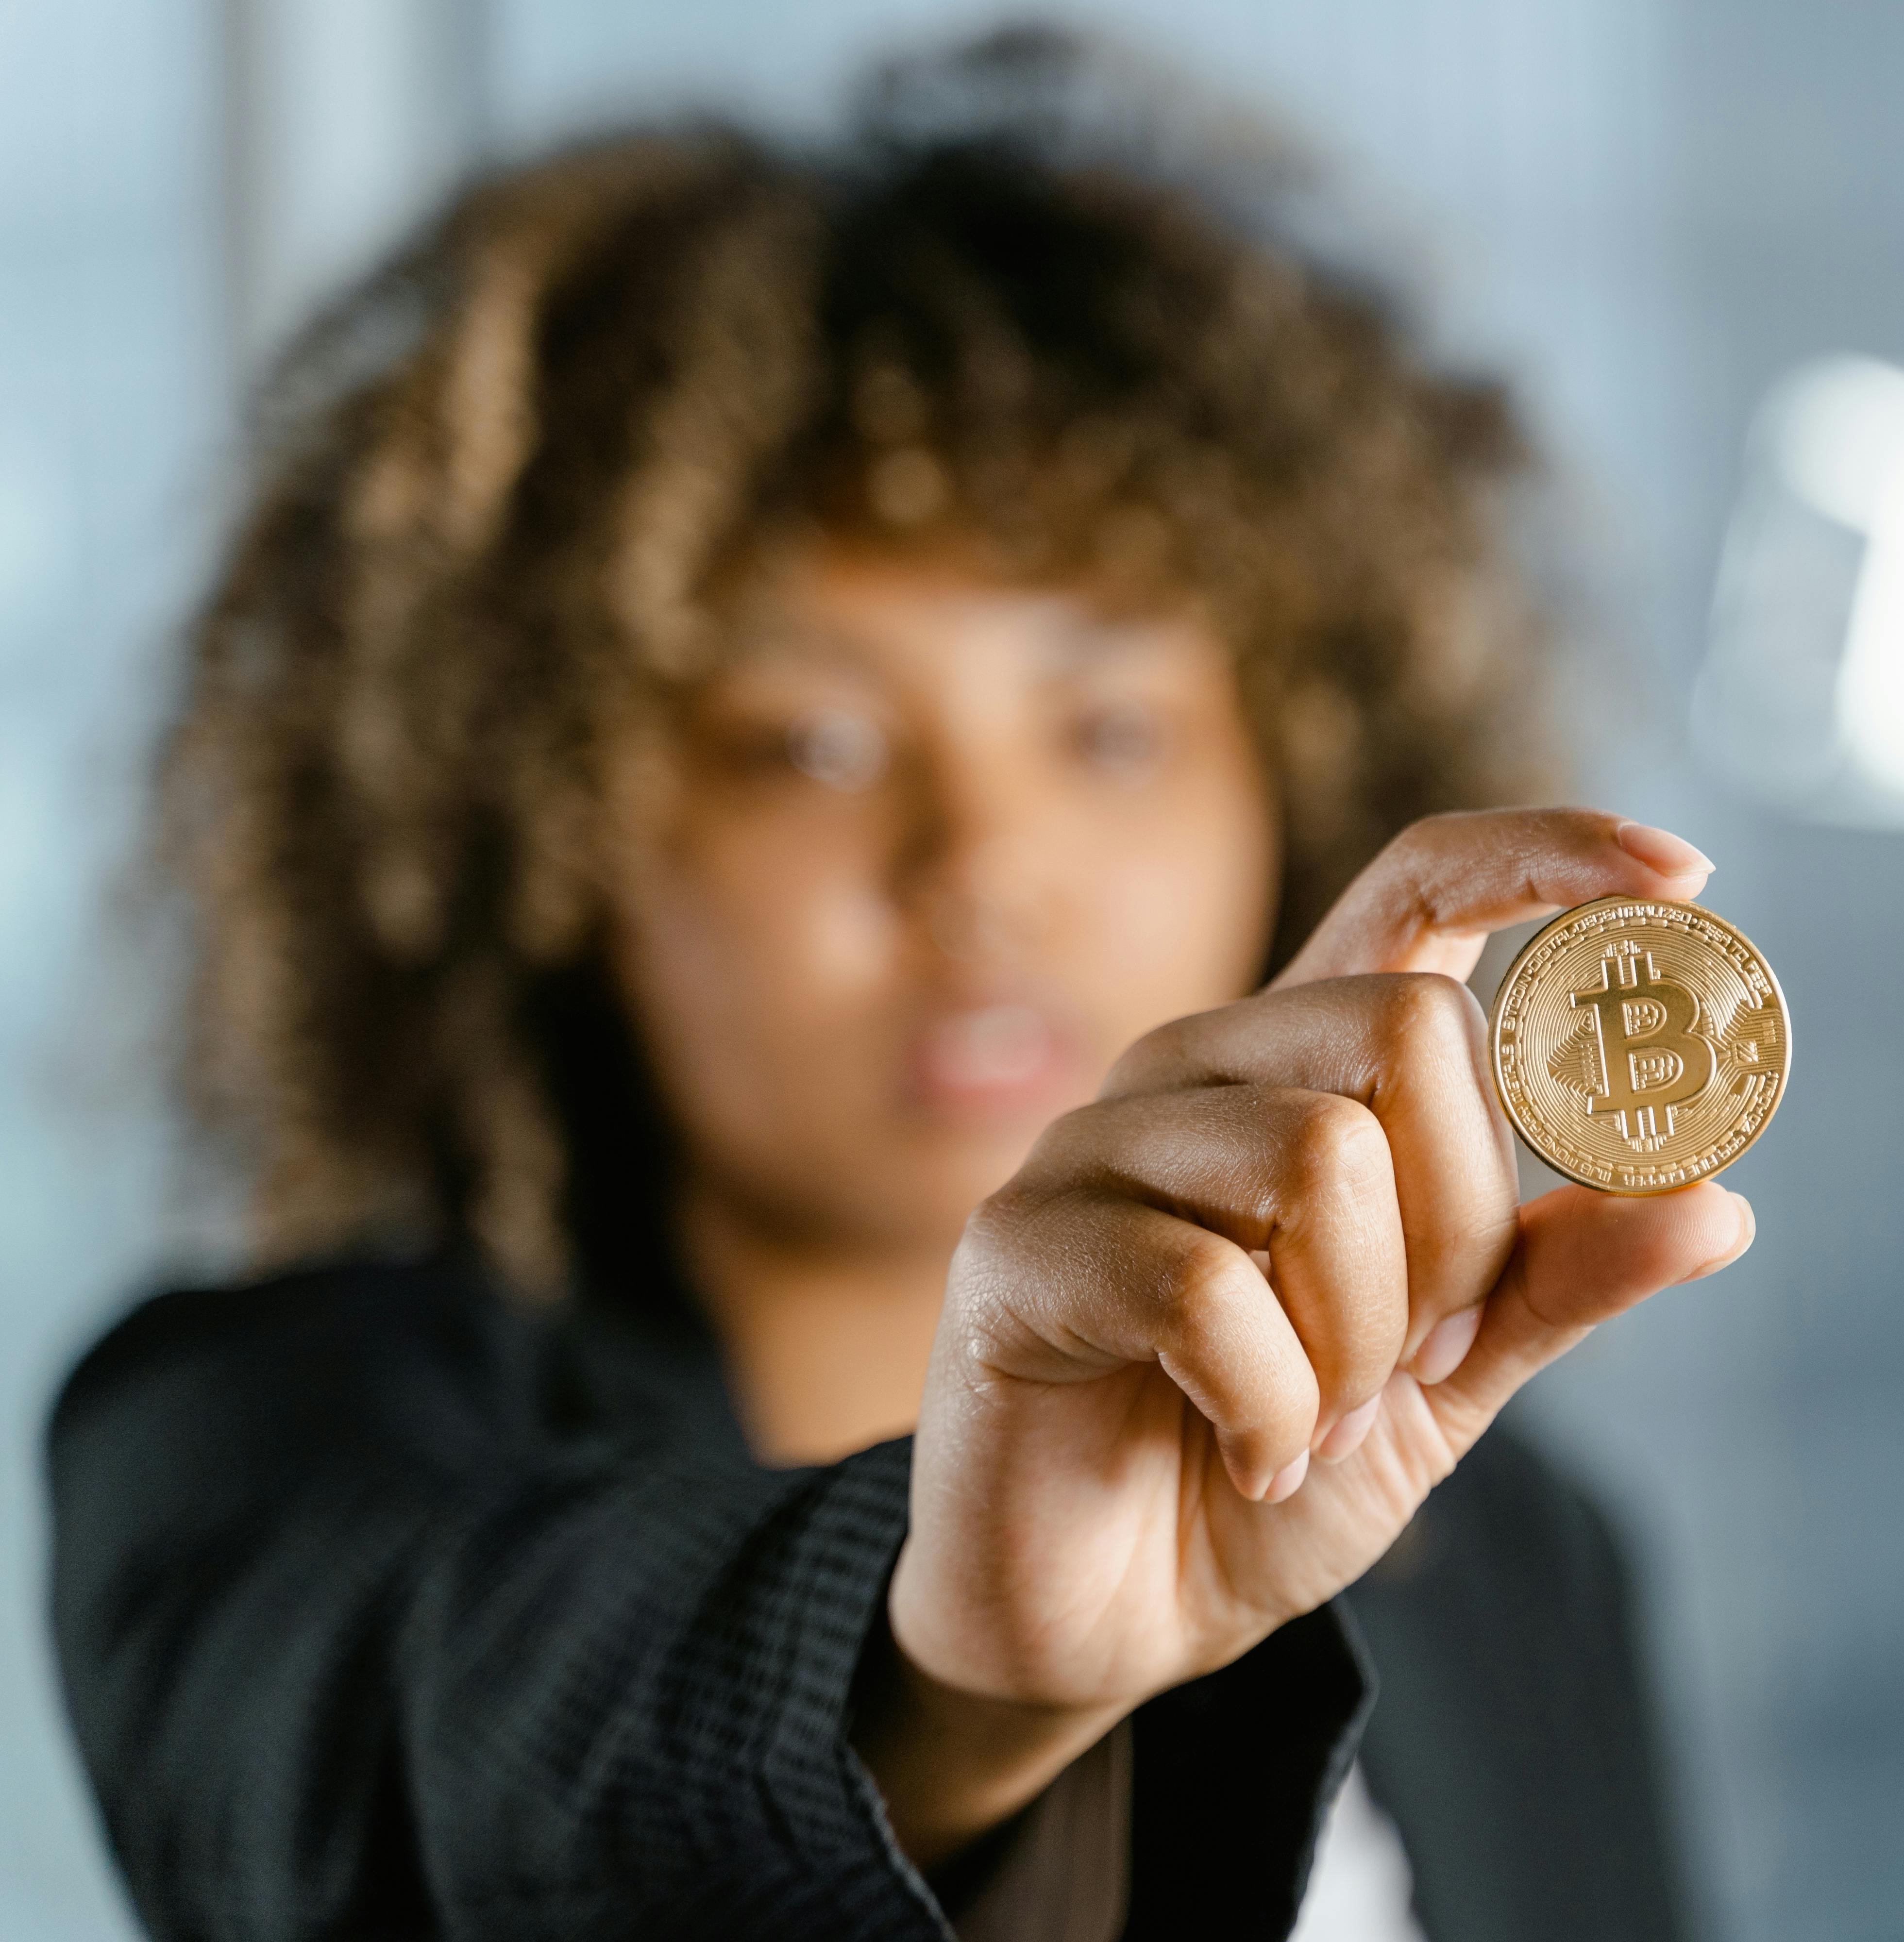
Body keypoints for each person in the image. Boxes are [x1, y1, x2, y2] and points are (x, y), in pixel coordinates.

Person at [45, 29, 1750, 1942]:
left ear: (1295, 778)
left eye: (1109, 730)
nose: (984, 870)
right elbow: (444, 1777)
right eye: (812, 746)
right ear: (533, 828)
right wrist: (954, 1670)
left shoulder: (1513, 1554)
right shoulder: (262, 1437)